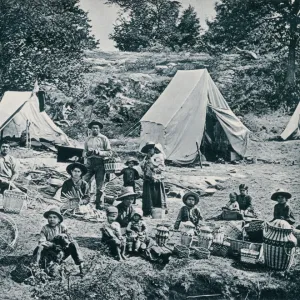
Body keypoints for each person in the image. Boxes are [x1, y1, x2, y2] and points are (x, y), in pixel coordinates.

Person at [34, 206, 84, 275]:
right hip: (50, 251)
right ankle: (37, 267)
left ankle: (81, 266)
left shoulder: (62, 227)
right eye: (50, 217)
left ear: (59, 220)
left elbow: (70, 239)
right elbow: (42, 242)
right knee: (52, 271)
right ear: (47, 219)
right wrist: (52, 245)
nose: (52, 219)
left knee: (73, 243)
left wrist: (64, 242)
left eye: (54, 217)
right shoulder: (45, 228)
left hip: (62, 250)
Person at [83, 120, 112, 210]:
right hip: (89, 163)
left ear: (99, 129)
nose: (95, 129)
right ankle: (85, 201)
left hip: (100, 163)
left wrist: (98, 152)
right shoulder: (88, 139)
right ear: (91, 129)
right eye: (93, 128)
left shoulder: (104, 138)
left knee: (100, 186)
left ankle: (99, 204)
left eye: (97, 128)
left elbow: (109, 152)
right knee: (84, 181)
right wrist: (87, 154)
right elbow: (83, 152)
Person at [140, 142, 167, 217]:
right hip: (147, 178)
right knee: (148, 194)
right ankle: (147, 210)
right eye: (148, 150)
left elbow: (161, 167)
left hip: (156, 179)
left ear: (154, 149)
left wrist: (153, 168)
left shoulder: (158, 157)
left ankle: (158, 210)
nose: (150, 151)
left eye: (151, 149)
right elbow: (142, 166)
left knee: (156, 194)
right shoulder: (146, 158)